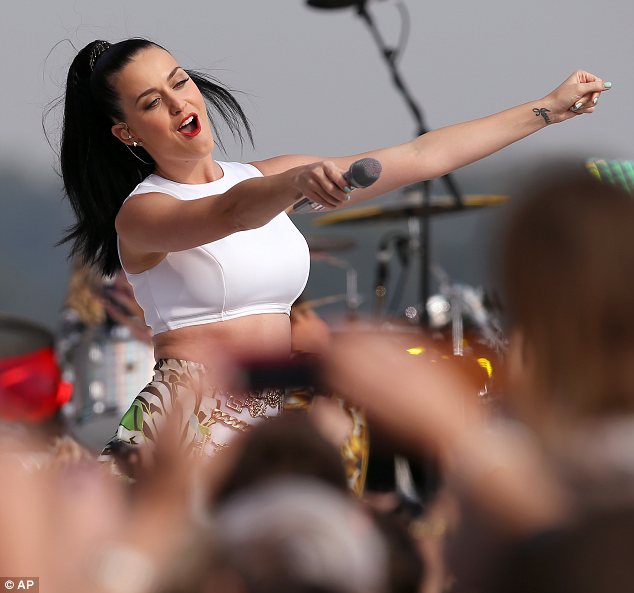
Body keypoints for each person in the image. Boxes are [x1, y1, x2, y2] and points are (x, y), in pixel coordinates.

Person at [55, 37, 610, 470]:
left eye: (180, 83)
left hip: (283, 405)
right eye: (154, 102)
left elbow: (420, 155)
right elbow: (231, 212)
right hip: (194, 413)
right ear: (127, 132)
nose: (179, 103)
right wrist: (297, 182)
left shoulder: (267, 175)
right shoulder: (143, 213)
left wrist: (546, 109)